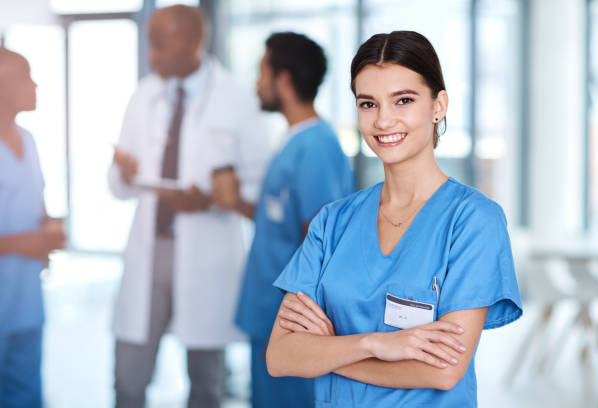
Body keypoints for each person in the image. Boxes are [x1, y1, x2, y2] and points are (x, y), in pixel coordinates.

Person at [266, 31, 523, 407]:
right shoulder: (332, 223)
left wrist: (329, 353)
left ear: (439, 106)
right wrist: (378, 344)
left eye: (403, 100)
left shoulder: (473, 221)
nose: (384, 120)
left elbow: (443, 370)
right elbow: (281, 356)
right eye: (368, 104)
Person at [108, 6, 268, 408]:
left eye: (161, 45)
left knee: (206, 381)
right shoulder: (144, 93)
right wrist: (121, 173)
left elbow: (258, 184)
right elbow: (118, 185)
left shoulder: (236, 99)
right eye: (151, 43)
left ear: (195, 42)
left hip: (208, 252)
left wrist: (211, 200)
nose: (152, 55)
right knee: (128, 377)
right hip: (151, 249)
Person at [231, 33, 354, 408]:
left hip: (290, 320)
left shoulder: (316, 148)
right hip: (269, 313)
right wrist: (234, 202)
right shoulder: (293, 140)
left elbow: (320, 241)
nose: (257, 83)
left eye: (262, 72)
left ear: (283, 81)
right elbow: (281, 224)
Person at [0, 48, 66, 407]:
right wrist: (16, 244)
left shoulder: (29, 141)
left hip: (26, 297)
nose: (35, 84)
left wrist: (49, 233)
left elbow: (35, 206)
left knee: (25, 392)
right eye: (25, 75)